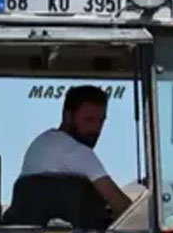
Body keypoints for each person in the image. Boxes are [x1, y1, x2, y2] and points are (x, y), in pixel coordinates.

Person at [19, 85, 134, 217]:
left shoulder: (41, 143)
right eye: (89, 120)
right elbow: (124, 207)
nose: (96, 129)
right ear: (68, 116)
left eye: (101, 121)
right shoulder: (76, 151)